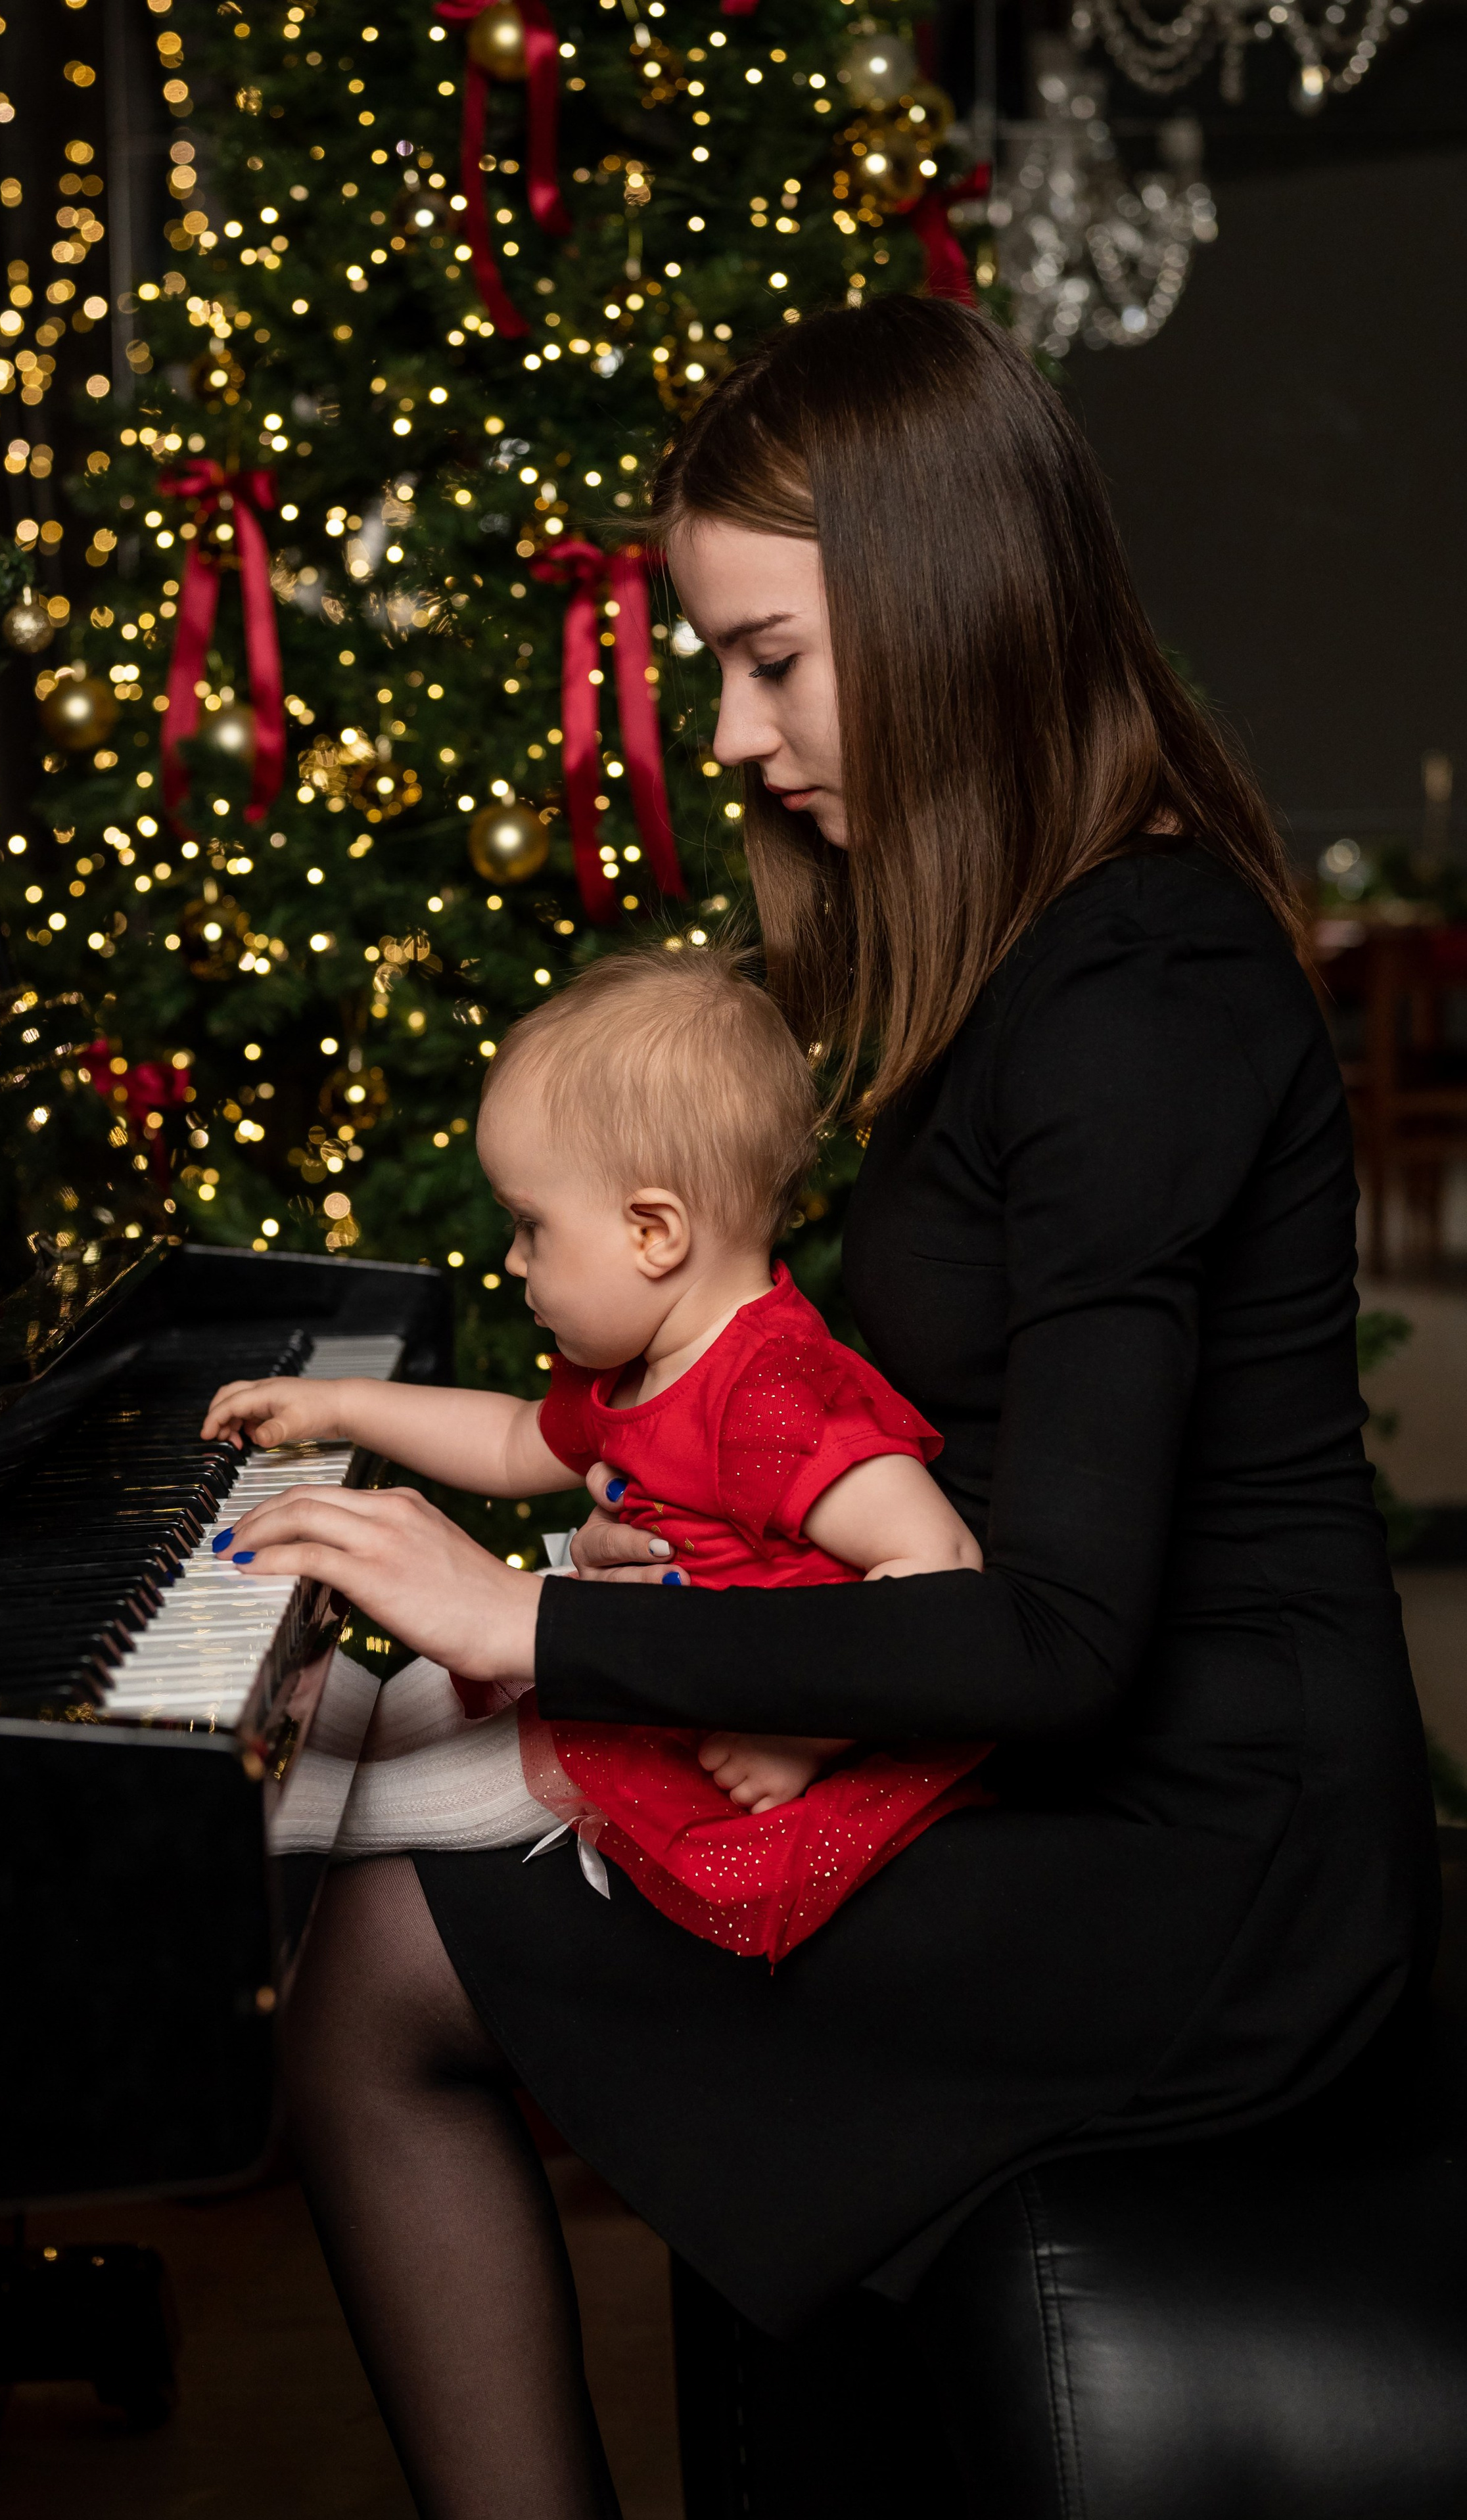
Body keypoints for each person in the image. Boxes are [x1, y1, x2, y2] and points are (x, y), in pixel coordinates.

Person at [224, 296, 1435, 2520]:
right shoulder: (1020, 951)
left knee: (385, 1970)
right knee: (458, 1907)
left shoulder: (1135, 987)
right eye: (718, 662)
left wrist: (540, 1629)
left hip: (1206, 1868)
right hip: (1089, 1780)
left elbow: (1062, 1637)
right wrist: (682, 1562)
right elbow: (927, 1467)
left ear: (946, 596)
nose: (735, 726)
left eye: (770, 655)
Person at [204, 949, 988, 1962]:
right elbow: (505, 1437)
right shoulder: (639, 1364)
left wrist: (805, 1733)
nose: (513, 1260)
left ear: (653, 1231)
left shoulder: (772, 1397)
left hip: (685, 1741)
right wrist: (339, 1404)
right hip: (613, 1676)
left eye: (530, 1225)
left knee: (305, 1811)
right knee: (356, 1713)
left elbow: (941, 1571)